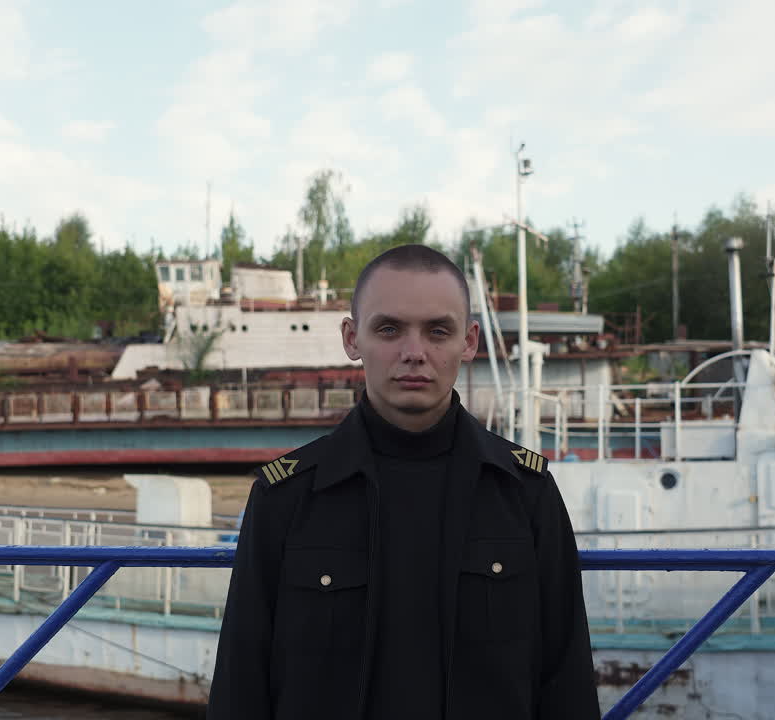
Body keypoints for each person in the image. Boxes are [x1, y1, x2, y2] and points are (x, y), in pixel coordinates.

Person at [207, 244, 600, 719]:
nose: (414, 353)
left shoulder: (525, 493)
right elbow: (241, 685)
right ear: (352, 338)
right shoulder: (286, 499)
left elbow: (567, 679)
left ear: (469, 342)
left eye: (438, 331)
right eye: (389, 329)